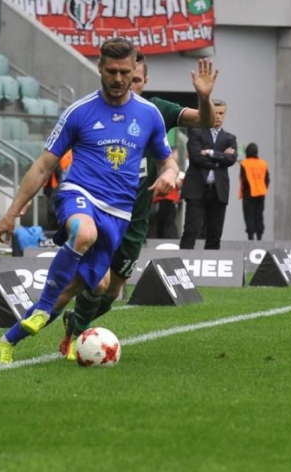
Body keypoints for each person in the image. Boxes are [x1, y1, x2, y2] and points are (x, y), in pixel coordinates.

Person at [0, 38, 178, 364]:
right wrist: (11, 213)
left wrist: (170, 174)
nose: (118, 79)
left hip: (118, 214)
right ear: (100, 68)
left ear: (135, 69)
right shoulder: (79, 111)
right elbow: (43, 166)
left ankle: (8, 341)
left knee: (95, 286)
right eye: (111, 71)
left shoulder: (149, 115)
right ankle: (47, 311)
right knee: (84, 233)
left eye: (124, 71)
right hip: (78, 195)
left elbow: (167, 160)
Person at [58, 54, 219, 360]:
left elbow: (206, 121)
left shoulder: (156, 110)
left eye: (134, 79)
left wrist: (204, 97)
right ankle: (79, 334)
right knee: (98, 278)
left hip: (135, 220)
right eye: (122, 77)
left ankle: (76, 323)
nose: (126, 83)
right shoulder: (97, 109)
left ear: (143, 81)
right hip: (102, 211)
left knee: (112, 291)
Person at [179, 99, 237, 250]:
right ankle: (183, 264)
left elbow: (231, 159)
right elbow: (197, 157)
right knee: (191, 231)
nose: (218, 116)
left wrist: (211, 153)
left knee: (215, 234)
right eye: (215, 113)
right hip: (196, 189)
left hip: (219, 192)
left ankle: (210, 269)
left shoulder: (230, 138)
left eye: (221, 113)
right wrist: (220, 159)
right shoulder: (196, 133)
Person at [239, 142, 269, 241]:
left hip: (249, 193)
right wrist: (263, 188)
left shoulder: (244, 163)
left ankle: (251, 237)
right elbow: (267, 179)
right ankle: (259, 236)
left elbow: (243, 179)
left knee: (249, 215)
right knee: (259, 215)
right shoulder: (263, 163)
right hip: (261, 193)